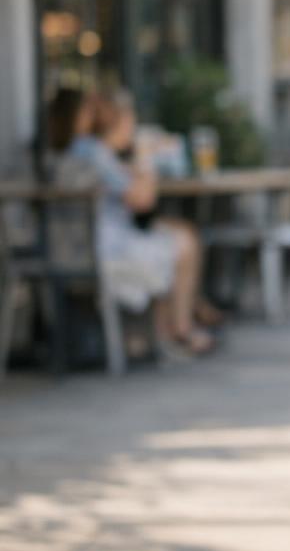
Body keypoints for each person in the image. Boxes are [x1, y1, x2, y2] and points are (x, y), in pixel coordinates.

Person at [53, 90, 217, 357]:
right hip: (103, 251)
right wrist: (145, 156)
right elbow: (143, 200)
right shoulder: (91, 151)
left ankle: (169, 330)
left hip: (65, 252)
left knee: (177, 235)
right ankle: (174, 331)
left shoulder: (66, 153)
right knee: (181, 242)